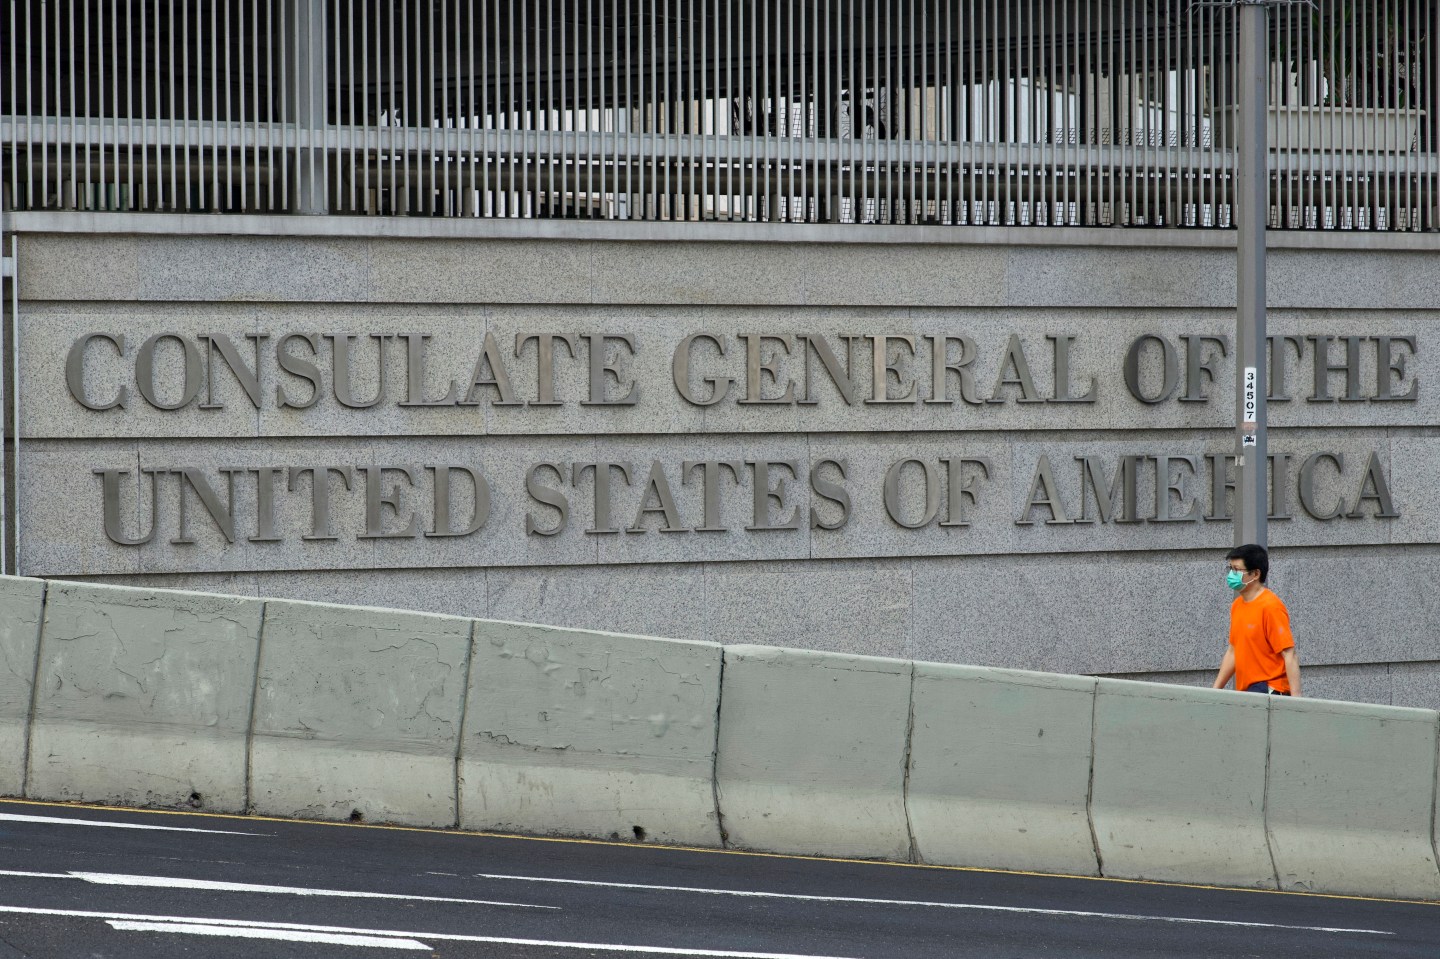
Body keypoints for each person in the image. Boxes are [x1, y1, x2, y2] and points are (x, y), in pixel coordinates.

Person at [1212, 543, 1301, 697]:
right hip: (1248, 691)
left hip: (1270, 689)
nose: (1231, 574)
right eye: (1230, 568)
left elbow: (1289, 654)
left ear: (1255, 574)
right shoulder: (1237, 606)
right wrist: (1214, 691)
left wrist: (1296, 701)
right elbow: (1233, 651)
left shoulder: (1271, 606)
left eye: (1237, 570)